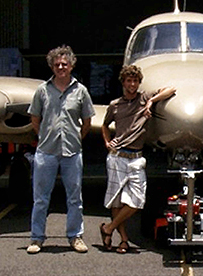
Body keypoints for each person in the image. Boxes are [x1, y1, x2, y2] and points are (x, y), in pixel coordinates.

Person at [99, 65, 176, 254]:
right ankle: (123, 240)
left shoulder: (144, 98)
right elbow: (104, 124)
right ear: (123, 82)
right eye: (128, 81)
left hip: (136, 158)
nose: (132, 84)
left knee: (137, 200)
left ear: (139, 82)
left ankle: (108, 228)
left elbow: (171, 89)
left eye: (135, 81)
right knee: (117, 202)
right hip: (117, 156)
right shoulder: (115, 105)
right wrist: (107, 141)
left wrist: (152, 102)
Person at [26, 45, 95, 254]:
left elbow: (87, 122)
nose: (61, 67)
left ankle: (75, 237)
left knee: (75, 197)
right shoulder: (42, 90)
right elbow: (35, 119)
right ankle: (37, 238)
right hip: (46, 151)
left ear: (72, 65)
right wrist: (45, 137)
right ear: (51, 66)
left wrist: (75, 139)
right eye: (57, 64)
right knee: (40, 198)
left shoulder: (81, 91)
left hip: (72, 152)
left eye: (65, 64)